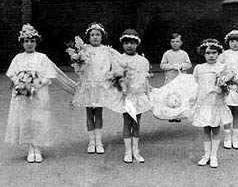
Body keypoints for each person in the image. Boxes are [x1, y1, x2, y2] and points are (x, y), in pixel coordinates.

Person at [5, 23, 76, 163]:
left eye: (32, 41)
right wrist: (20, 84)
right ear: (22, 43)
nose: (29, 44)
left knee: (38, 119)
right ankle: (30, 148)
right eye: (26, 41)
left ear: (36, 42)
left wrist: (37, 84)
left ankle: (37, 148)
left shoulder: (42, 57)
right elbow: (12, 73)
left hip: (38, 93)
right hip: (23, 95)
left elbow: (50, 74)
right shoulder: (18, 58)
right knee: (26, 120)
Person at [72, 22, 117, 154]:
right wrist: (78, 61)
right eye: (92, 35)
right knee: (89, 113)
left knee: (98, 113)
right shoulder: (84, 50)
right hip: (88, 84)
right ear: (88, 37)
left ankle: (99, 141)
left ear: (102, 36)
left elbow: (115, 64)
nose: (95, 37)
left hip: (100, 85)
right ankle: (91, 142)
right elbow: (78, 69)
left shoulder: (107, 51)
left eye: (98, 35)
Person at [107, 29, 151, 163]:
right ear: (122, 44)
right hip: (126, 95)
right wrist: (120, 85)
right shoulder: (119, 59)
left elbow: (145, 79)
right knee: (127, 123)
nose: (129, 46)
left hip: (138, 94)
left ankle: (136, 151)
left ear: (137, 44)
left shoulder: (142, 60)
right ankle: (128, 151)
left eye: (132, 43)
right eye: (126, 43)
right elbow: (114, 78)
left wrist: (147, 94)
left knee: (136, 123)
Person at [189, 39, 233, 168]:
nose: (211, 55)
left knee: (215, 127)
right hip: (205, 102)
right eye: (208, 53)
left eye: (214, 52)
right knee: (206, 128)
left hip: (217, 102)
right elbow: (198, 82)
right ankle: (206, 154)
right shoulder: (199, 68)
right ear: (203, 54)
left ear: (218, 53)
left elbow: (228, 86)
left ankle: (214, 155)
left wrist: (224, 86)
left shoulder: (222, 68)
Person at [160, 33, 192, 122]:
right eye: (173, 41)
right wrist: (171, 66)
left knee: (180, 96)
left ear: (181, 43)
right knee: (171, 96)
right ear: (170, 43)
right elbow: (162, 65)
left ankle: (179, 114)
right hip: (170, 79)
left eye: (177, 41)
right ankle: (171, 115)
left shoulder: (184, 54)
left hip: (181, 79)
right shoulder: (167, 54)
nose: (175, 43)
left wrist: (182, 66)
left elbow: (189, 64)